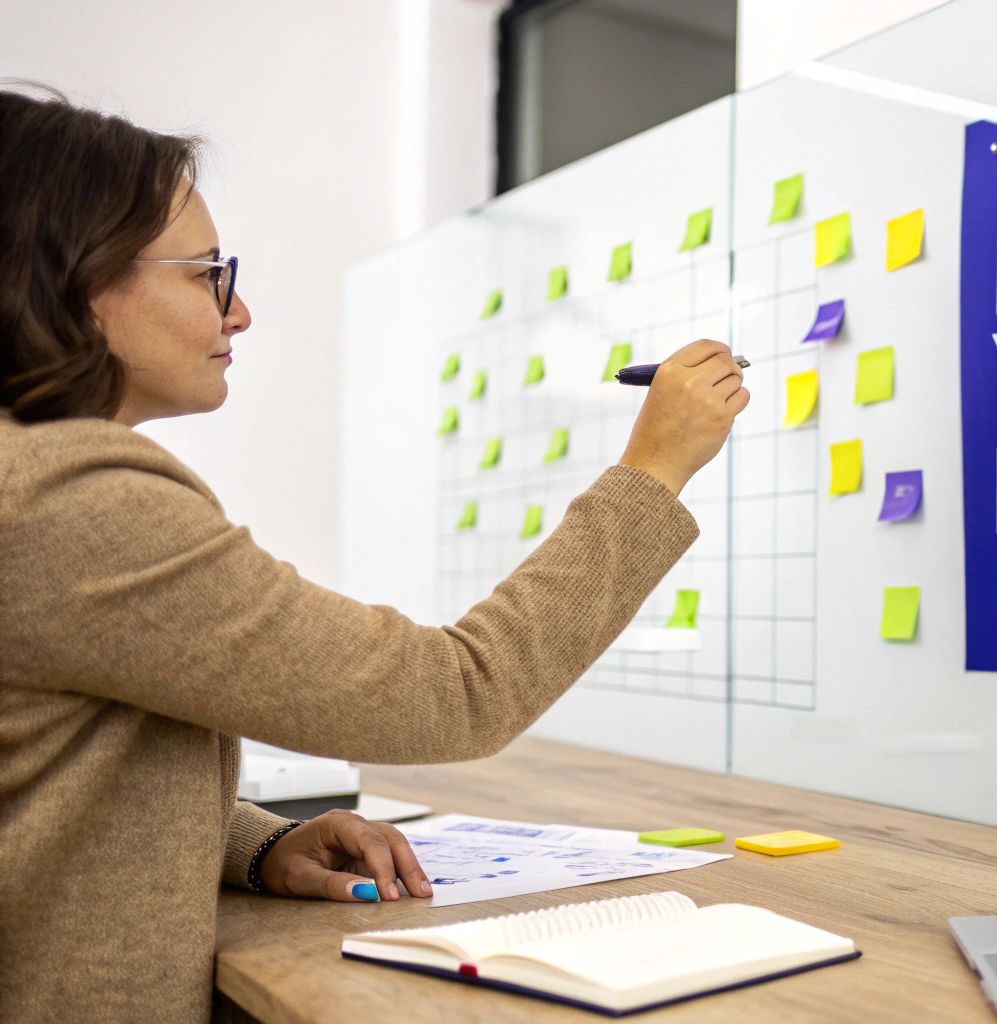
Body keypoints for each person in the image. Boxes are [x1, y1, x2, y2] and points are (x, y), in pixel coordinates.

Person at [0, 84, 749, 1022]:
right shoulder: (72, 503)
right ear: (75, 274)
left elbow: (45, 780)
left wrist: (258, 845)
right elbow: (459, 693)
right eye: (207, 275)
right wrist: (653, 469)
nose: (238, 315)